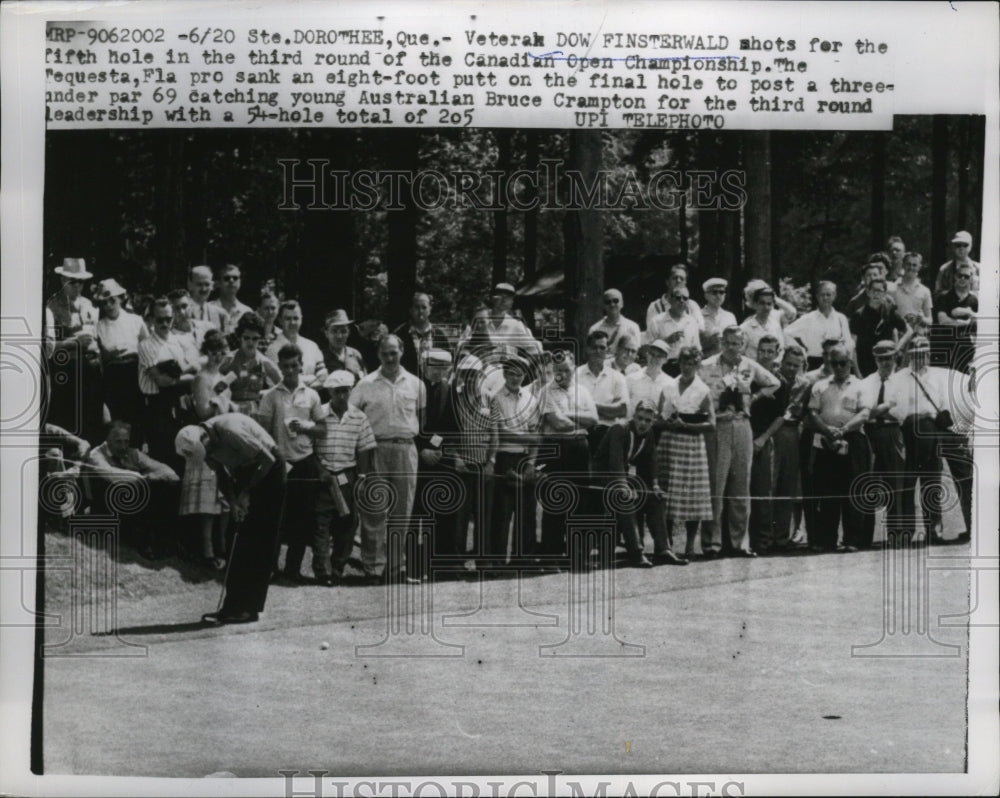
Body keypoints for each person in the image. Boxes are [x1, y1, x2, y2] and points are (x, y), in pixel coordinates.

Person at [175, 415, 286, 625]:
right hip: (247, 471)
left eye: (206, 453)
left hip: (270, 471)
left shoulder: (231, 431)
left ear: (205, 440)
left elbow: (268, 461)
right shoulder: (203, 442)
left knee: (257, 540)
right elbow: (221, 473)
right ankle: (232, 606)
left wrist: (246, 493)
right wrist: (234, 502)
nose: (207, 457)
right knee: (236, 535)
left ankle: (249, 608)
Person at [349, 333, 427, 582]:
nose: (390, 358)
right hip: (376, 449)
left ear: (402, 350)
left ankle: (396, 568)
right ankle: (373, 568)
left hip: (405, 448)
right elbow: (353, 416)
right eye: (385, 353)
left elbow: (422, 419)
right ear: (378, 354)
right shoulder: (365, 384)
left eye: (394, 352)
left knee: (402, 511)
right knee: (374, 510)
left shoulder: (416, 383)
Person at [699, 326, 780, 558]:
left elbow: (774, 383)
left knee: (741, 487)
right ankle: (711, 544)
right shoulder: (707, 365)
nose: (732, 348)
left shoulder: (748, 365)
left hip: (742, 424)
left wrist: (754, 397)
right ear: (721, 342)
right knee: (716, 485)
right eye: (728, 343)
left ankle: (738, 543)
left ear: (743, 345)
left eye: (737, 344)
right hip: (719, 425)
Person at [256, 343, 327, 583]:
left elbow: (322, 429)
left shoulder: (312, 395)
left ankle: (293, 569)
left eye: (294, 365)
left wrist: (307, 427)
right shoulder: (271, 396)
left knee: (302, 519)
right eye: (285, 366)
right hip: (280, 462)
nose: (290, 370)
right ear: (280, 367)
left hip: (304, 461)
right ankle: (269, 567)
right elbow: (263, 433)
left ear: (300, 364)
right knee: (276, 518)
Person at [313, 370, 377, 585]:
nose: (341, 396)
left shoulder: (359, 417)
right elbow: (309, 446)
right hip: (323, 476)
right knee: (320, 525)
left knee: (348, 524)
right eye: (337, 392)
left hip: (347, 475)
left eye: (345, 391)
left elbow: (365, 447)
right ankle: (324, 572)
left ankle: (338, 569)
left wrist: (361, 475)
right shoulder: (319, 414)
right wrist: (319, 469)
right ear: (330, 392)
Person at [807, 344, 870, 552]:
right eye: (835, 363)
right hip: (826, 440)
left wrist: (843, 430)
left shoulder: (861, 385)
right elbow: (813, 413)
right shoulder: (820, 386)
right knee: (828, 490)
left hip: (853, 438)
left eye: (843, 363)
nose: (840, 367)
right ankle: (826, 540)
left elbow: (864, 414)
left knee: (854, 490)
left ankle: (852, 540)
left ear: (850, 363)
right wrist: (828, 431)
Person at [178, 330, 232, 570]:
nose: (218, 357)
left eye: (222, 352)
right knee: (209, 499)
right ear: (206, 353)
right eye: (213, 352)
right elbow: (202, 412)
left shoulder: (223, 376)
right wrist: (218, 399)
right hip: (206, 437)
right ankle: (207, 551)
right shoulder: (202, 378)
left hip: (224, 437)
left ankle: (223, 546)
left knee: (225, 498)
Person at [87, 420, 180, 559]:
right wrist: (145, 478)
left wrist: (164, 476)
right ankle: (143, 542)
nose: (123, 446)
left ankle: (163, 542)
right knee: (145, 487)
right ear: (107, 439)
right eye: (118, 441)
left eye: (126, 441)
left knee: (167, 486)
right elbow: (111, 475)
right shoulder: (96, 454)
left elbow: (165, 470)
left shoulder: (134, 453)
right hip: (106, 503)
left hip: (130, 500)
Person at [539, 350, 598, 559]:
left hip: (580, 447)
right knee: (556, 500)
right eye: (559, 371)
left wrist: (570, 414)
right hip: (557, 448)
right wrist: (580, 420)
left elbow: (594, 419)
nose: (564, 374)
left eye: (568, 370)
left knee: (581, 499)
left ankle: (578, 554)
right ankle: (552, 554)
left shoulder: (582, 391)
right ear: (553, 371)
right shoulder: (546, 392)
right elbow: (557, 423)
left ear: (574, 369)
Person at [888, 336, 947, 544]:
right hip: (908, 430)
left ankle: (934, 531)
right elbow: (891, 405)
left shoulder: (937, 377)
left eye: (923, 354)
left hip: (930, 430)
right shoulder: (899, 378)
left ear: (929, 355)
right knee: (906, 483)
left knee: (932, 483)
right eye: (915, 355)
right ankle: (905, 531)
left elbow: (943, 403)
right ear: (909, 356)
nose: (920, 359)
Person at [657, 346, 714, 562]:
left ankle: (690, 544)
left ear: (698, 365)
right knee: (668, 492)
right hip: (669, 442)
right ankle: (668, 544)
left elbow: (711, 424)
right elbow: (660, 417)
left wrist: (687, 426)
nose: (688, 368)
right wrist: (668, 422)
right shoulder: (669, 386)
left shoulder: (703, 390)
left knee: (692, 496)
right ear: (679, 364)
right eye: (684, 363)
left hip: (692, 444)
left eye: (692, 364)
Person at [591, 400, 660, 568]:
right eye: (640, 418)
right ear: (633, 416)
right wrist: (623, 486)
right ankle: (636, 552)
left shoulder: (649, 433)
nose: (643, 423)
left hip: (623, 476)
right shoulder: (619, 429)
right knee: (624, 498)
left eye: (648, 420)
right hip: (602, 477)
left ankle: (664, 549)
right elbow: (615, 462)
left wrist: (655, 485)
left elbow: (651, 461)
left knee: (654, 497)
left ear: (653, 422)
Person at [43, 257, 103, 443]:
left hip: (92, 369)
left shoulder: (88, 304)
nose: (77, 286)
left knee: (93, 419)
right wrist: (75, 341)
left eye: (81, 282)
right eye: (73, 282)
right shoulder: (52, 307)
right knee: (68, 421)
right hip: (68, 371)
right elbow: (48, 348)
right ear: (63, 280)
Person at [489, 354, 541, 565]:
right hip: (504, 458)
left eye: (519, 373)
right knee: (502, 512)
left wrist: (531, 463)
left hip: (524, 458)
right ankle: (498, 560)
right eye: (511, 373)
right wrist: (529, 437)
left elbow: (537, 435)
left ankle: (524, 560)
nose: (515, 378)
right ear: (504, 374)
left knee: (527, 511)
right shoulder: (495, 398)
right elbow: (501, 432)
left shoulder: (531, 399)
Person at [137, 298, 198, 468]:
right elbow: (161, 381)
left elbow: (196, 369)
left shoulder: (180, 341)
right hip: (157, 405)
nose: (165, 323)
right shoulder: (146, 345)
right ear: (151, 320)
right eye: (159, 319)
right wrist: (187, 376)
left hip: (180, 403)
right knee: (162, 454)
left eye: (168, 319)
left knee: (183, 451)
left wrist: (179, 377)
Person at [450, 354, 498, 567]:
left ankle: (483, 562)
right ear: (461, 376)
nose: (470, 379)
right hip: (461, 466)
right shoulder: (454, 397)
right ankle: (458, 562)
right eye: (466, 375)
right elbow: (447, 430)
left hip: (482, 465)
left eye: (474, 374)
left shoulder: (489, 397)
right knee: (459, 518)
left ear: (480, 375)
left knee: (484, 516)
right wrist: (456, 457)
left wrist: (491, 462)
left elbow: (495, 434)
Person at [858, 341, 906, 549]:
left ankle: (896, 535)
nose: (885, 363)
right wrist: (886, 406)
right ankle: (864, 536)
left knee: (895, 483)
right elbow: (863, 410)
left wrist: (877, 410)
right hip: (870, 433)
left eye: (889, 358)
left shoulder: (903, 381)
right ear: (875, 360)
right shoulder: (867, 382)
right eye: (881, 359)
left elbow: (901, 411)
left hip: (893, 432)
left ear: (896, 358)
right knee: (868, 481)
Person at [747, 335, 792, 555]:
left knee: (762, 489)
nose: (765, 355)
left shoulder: (780, 382)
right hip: (744, 433)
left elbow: (780, 417)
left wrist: (763, 438)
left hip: (763, 438)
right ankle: (739, 541)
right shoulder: (747, 376)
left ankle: (762, 541)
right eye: (761, 350)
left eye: (770, 351)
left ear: (777, 354)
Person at [95, 278, 147, 440]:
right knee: (118, 419)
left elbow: (147, 347)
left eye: (112, 300)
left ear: (121, 298)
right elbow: (100, 358)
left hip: (135, 373)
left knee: (137, 418)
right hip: (114, 377)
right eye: (104, 302)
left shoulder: (135, 320)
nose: (109, 305)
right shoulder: (99, 326)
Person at [770, 344, 808, 549]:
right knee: (770, 484)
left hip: (793, 433)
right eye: (788, 364)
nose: (792, 368)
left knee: (787, 484)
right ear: (782, 362)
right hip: (773, 432)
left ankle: (782, 536)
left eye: (796, 365)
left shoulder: (804, 384)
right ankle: (764, 535)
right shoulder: (772, 379)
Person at [575, 330, 629, 456]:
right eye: (594, 347)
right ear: (587, 349)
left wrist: (590, 405)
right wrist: (608, 409)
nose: (598, 351)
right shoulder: (575, 375)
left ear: (607, 351)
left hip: (607, 434)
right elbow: (571, 407)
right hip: (581, 433)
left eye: (602, 347)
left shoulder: (617, 377)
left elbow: (622, 410)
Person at [785, 281, 853, 370]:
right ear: (817, 296)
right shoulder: (808, 318)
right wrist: (801, 350)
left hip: (836, 363)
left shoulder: (840, 318)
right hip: (814, 363)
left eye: (828, 295)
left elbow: (849, 343)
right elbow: (786, 333)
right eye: (822, 295)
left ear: (834, 296)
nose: (825, 298)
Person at [223, 311, 281, 416]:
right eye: (246, 338)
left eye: (255, 338)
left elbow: (282, 385)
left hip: (257, 412)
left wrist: (267, 394)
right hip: (231, 410)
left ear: (261, 338)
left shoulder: (264, 362)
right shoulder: (229, 360)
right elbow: (214, 387)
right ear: (240, 336)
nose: (250, 342)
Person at [850, 278, 911, 376]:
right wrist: (858, 374)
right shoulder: (859, 315)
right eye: (873, 290)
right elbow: (852, 346)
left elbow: (909, 331)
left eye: (880, 291)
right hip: (865, 365)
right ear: (868, 292)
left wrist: (897, 348)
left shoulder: (889, 311)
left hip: (886, 363)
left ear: (885, 293)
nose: (876, 294)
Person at [265, 300, 327, 389]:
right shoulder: (272, 349)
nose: (292, 323)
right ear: (280, 321)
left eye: (296, 318)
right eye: (288, 318)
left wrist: (304, 388)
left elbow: (323, 378)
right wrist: (311, 378)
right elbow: (279, 381)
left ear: (301, 319)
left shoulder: (312, 346)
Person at [392, 292, 453, 376]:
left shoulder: (439, 335)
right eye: (417, 307)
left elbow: (448, 363)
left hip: (434, 386)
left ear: (430, 309)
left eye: (424, 307)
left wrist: (444, 379)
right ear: (411, 310)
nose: (420, 311)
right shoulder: (399, 334)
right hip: (408, 385)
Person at [932, 263, 978, 373]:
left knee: (964, 383)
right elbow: (943, 320)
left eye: (966, 276)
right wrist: (965, 323)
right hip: (945, 346)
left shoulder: (974, 300)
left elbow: (978, 322)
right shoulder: (944, 297)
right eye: (960, 275)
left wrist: (969, 312)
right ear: (955, 277)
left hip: (966, 349)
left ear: (971, 279)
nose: (962, 278)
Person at [646, 286, 701, 376]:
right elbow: (648, 348)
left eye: (685, 298)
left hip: (686, 367)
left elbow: (697, 348)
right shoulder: (657, 321)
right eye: (678, 298)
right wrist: (666, 341)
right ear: (670, 300)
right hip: (663, 366)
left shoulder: (692, 321)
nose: (682, 301)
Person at [645, 263, 704, 330]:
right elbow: (652, 335)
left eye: (682, 279)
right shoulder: (655, 307)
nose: (678, 281)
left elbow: (700, 330)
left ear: (685, 283)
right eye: (675, 278)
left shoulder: (692, 306)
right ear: (667, 282)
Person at [486, 283, 541, 353]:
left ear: (512, 302)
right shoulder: (480, 320)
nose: (504, 300)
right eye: (500, 295)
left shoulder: (515, 325)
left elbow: (535, 348)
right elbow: (468, 346)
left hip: (506, 363)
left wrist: (525, 361)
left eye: (508, 297)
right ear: (492, 298)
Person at [626, 339, 674, 417]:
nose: (654, 358)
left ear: (665, 360)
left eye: (659, 356)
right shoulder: (631, 379)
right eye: (652, 354)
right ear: (647, 355)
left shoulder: (670, 383)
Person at [739, 285, 788, 361]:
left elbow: (781, 350)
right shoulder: (744, 328)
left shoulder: (775, 325)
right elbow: (739, 354)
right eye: (762, 303)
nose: (766, 307)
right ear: (755, 304)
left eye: (769, 304)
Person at [588, 288, 641, 356]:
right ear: (604, 306)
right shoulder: (595, 329)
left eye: (615, 301)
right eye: (608, 302)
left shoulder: (633, 327)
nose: (612, 304)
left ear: (622, 303)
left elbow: (635, 353)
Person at [322, 309, 367, 384]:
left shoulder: (356, 355)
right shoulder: (321, 357)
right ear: (326, 333)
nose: (339, 336)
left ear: (348, 333)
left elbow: (365, 383)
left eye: (343, 331)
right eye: (334, 331)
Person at [891, 252, 934, 329]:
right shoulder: (892, 288)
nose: (911, 267)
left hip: (917, 335)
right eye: (908, 264)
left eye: (914, 265)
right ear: (903, 265)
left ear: (919, 267)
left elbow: (930, 321)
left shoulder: (925, 291)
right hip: (898, 333)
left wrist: (922, 319)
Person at [699, 277, 737, 358]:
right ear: (706, 295)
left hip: (727, 362)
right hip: (706, 361)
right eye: (714, 292)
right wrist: (709, 341)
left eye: (721, 292)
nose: (718, 295)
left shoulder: (730, 317)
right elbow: (692, 344)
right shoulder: (698, 315)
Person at [186, 265, 231, 334]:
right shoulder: (181, 312)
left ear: (212, 285)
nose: (203, 289)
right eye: (199, 284)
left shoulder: (221, 315)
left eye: (207, 284)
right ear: (190, 285)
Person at [209, 264, 253, 329]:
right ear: (219, 283)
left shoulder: (247, 311)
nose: (231, 281)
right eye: (227, 278)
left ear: (240, 282)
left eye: (235, 278)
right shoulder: (208, 309)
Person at [257, 285, 283, 354]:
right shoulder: (251, 333)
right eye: (266, 308)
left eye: (273, 308)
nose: (270, 312)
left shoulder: (281, 334)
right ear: (259, 310)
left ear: (278, 309)